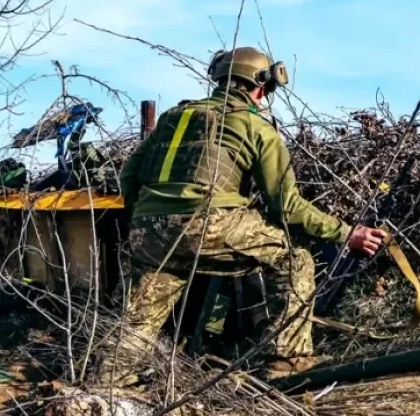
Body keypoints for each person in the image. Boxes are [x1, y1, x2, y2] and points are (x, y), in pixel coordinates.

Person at [110, 47, 386, 383]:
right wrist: (346, 233)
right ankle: (287, 360)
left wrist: (150, 219)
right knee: (294, 260)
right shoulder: (257, 128)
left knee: (138, 316)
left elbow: (129, 177)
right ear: (261, 87)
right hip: (209, 224)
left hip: (147, 230)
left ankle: (109, 382)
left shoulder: (173, 117)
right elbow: (287, 207)